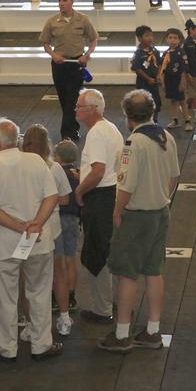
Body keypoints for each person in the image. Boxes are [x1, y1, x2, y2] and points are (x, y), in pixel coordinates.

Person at [98, 90, 181, 353]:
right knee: (154, 271)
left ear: (127, 116)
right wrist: (162, 198)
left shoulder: (133, 144)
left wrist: (116, 211)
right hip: (160, 212)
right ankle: (153, 330)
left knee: (127, 273)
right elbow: (173, 177)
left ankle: (123, 333)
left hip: (136, 216)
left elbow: (126, 186)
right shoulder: (166, 137)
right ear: (152, 110)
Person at [0, 120, 62, 364]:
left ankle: (7, 348)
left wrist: (19, 227)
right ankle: (41, 344)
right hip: (38, 241)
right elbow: (52, 196)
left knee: (5, 296)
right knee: (40, 292)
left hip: (4, 242)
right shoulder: (35, 161)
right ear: (18, 140)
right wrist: (34, 224)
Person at [74, 89, 124, 325]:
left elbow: (98, 170)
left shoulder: (95, 134)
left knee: (95, 253)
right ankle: (112, 302)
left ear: (92, 109)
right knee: (104, 250)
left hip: (99, 197)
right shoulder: (110, 128)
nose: (76, 110)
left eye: (79, 106)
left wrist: (79, 190)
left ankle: (102, 309)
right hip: (111, 193)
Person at [19, 125, 73, 337]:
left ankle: (32, 324)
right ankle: (65, 317)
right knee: (58, 274)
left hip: (27, 229)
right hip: (53, 227)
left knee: (28, 279)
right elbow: (66, 198)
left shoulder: (20, 168)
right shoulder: (55, 167)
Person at [39, 0, 99, 142]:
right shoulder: (52, 22)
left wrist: (86, 56)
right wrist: (54, 55)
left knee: (72, 98)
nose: (61, 4)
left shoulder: (82, 20)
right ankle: (73, 129)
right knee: (64, 99)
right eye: (59, 1)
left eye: (65, 1)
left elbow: (93, 40)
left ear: (72, 1)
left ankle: (66, 134)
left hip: (76, 64)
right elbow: (45, 43)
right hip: (59, 65)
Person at [52, 140, 81, 336]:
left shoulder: (55, 172)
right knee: (71, 258)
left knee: (57, 263)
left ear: (58, 157)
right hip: (73, 220)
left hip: (58, 219)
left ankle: (58, 296)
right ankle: (71, 295)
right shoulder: (78, 174)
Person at [131, 25, 162, 121]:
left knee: (156, 101)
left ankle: (155, 121)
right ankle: (145, 121)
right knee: (143, 102)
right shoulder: (138, 53)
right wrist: (148, 78)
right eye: (147, 36)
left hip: (154, 81)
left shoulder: (154, 50)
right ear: (140, 38)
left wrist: (158, 75)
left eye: (151, 35)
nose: (150, 38)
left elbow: (159, 63)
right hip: (143, 82)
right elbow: (137, 68)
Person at [159, 28, 187, 130]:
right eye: (170, 38)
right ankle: (174, 119)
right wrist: (162, 81)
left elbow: (183, 69)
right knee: (173, 100)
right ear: (166, 39)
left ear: (179, 40)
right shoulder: (166, 53)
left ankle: (187, 120)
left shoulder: (181, 52)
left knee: (182, 100)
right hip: (169, 80)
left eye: (175, 38)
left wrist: (182, 81)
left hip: (178, 79)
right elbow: (162, 68)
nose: (172, 40)